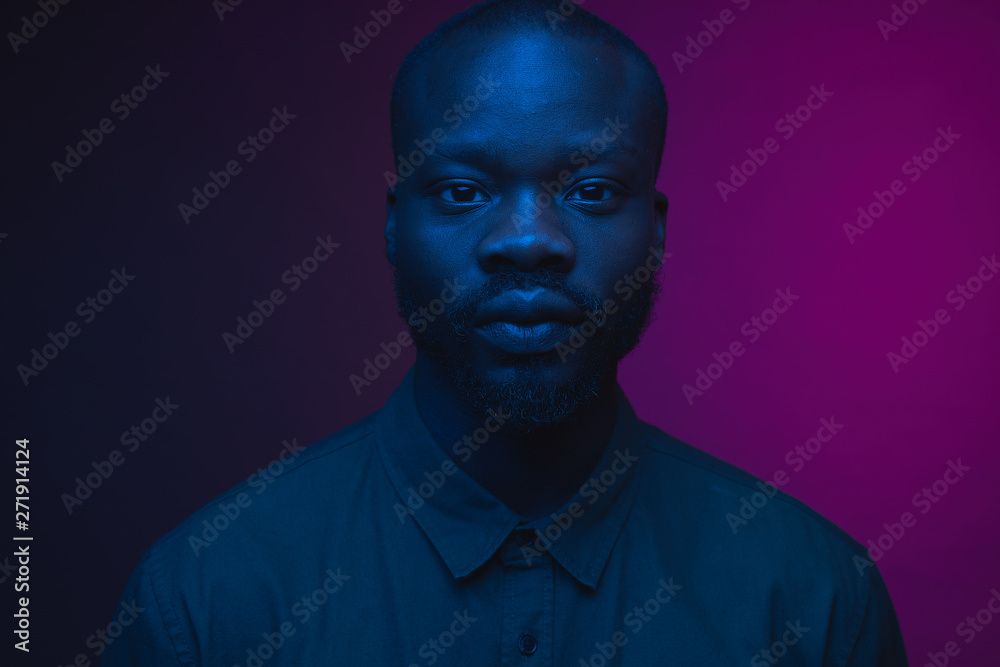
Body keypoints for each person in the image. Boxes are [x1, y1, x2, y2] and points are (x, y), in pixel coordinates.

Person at [102, 1, 908, 664]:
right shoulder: (204, 600)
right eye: (461, 190)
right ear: (393, 226)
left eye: (592, 189)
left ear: (656, 232)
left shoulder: (816, 598)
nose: (529, 239)